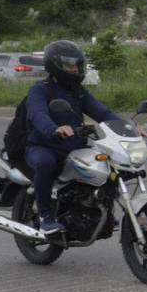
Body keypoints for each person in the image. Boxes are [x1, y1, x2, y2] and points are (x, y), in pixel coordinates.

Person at [25, 40, 119, 234]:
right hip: (44, 145)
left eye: (77, 65)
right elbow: (37, 114)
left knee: (110, 164)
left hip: (73, 146)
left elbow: (103, 113)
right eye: (70, 65)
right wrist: (54, 128)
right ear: (56, 65)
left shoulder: (78, 93)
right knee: (45, 163)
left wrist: (127, 127)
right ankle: (45, 216)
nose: (75, 69)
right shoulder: (40, 89)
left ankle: (102, 210)